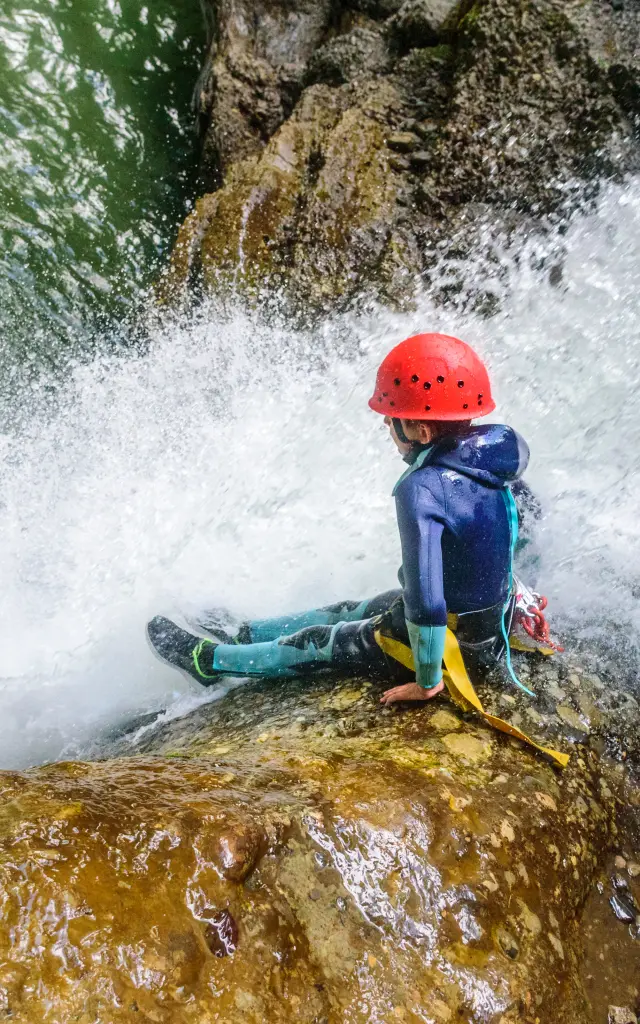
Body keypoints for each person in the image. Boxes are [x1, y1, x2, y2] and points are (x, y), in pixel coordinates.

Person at [147, 333, 550, 707]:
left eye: (392, 417)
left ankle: (210, 662)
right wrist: (515, 596)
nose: (385, 422)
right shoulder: (498, 453)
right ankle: (245, 634)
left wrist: (427, 681)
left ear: (421, 430)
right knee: (356, 607)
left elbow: (427, 603)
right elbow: (517, 527)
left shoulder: (422, 490)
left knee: (322, 642)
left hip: (455, 644)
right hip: (487, 625)